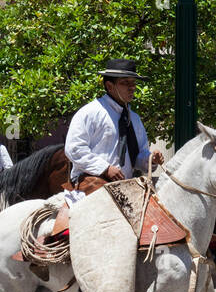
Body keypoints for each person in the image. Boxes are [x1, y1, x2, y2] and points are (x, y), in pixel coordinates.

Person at [64, 58, 164, 194]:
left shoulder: (134, 119)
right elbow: (74, 149)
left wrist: (150, 159)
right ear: (110, 86)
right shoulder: (90, 113)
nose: (132, 87)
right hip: (90, 185)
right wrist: (105, 168)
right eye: (125, 83)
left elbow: (138, 157)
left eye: (133, 83)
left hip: (124, 188)